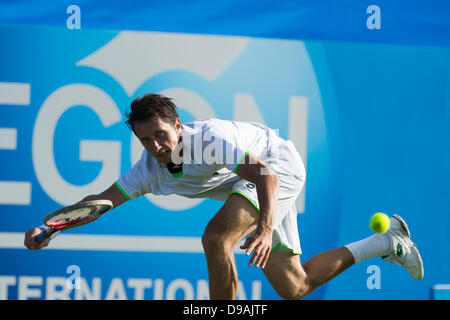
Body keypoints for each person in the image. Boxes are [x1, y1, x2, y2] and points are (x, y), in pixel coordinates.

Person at [24, 93, 424, 300]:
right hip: (253, 188)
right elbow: (101, 201)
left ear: (177, 126)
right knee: (294, 287)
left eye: (161, 135)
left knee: (217, 238)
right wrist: (51, 225)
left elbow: (265, 175)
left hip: (275, 166)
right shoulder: (149, 171)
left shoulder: (211, 141)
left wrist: (266, 229)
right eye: (145, 140)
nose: (156, 146)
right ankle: (387, 242)